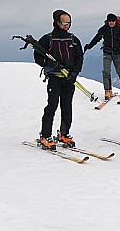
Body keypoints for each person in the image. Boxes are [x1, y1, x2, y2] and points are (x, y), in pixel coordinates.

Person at [33, 9, 84, 151]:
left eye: (69, 23)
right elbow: (38, 56)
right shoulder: (47, 39)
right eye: (63, 23)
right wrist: (48, 64)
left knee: (67, 107)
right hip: (54, 78)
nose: (66, 25)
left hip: (69, 79)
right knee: (52, 106)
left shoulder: (73, 40)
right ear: (56, 22)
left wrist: (74, 73)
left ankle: (64, 133)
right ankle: (45, 135)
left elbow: (79, 58)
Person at [84, 13, 120, 100]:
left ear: (116, 21)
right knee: (106, 72)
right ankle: (108, 90)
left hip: (118, 53)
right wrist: (89, 45)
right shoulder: (104, 29)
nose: (111, 22)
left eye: (113, 21)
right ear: (107, 21)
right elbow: (96, 38)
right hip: (107, 52)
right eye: (110, 21)